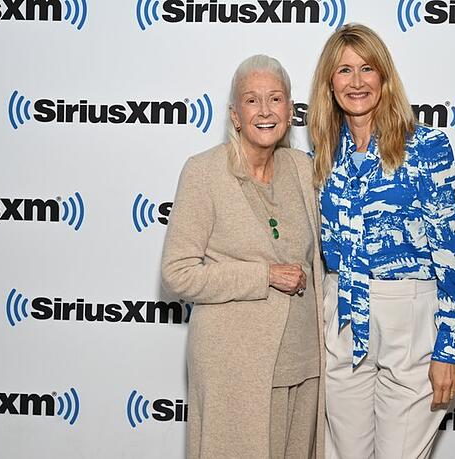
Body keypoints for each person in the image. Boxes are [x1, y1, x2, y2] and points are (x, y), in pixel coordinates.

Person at [307, 24, 455, 458]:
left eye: (368, 68)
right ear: (329, 82)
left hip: (410, 319)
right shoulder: (321, 156)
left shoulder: (426, 146)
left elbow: (452, 251)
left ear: (385, 76)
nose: (357, 81)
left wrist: (448, 347)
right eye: (344, 70)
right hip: (343, 317)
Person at [161, 54, 325, 459]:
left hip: (305, 364)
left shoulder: (304, 169)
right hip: (235, 366)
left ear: (290, 109)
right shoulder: (203, 172)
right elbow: (177, 273)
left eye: (276, 99)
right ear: (235, 115)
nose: (265, 111)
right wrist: (263, 275)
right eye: (252, 100)